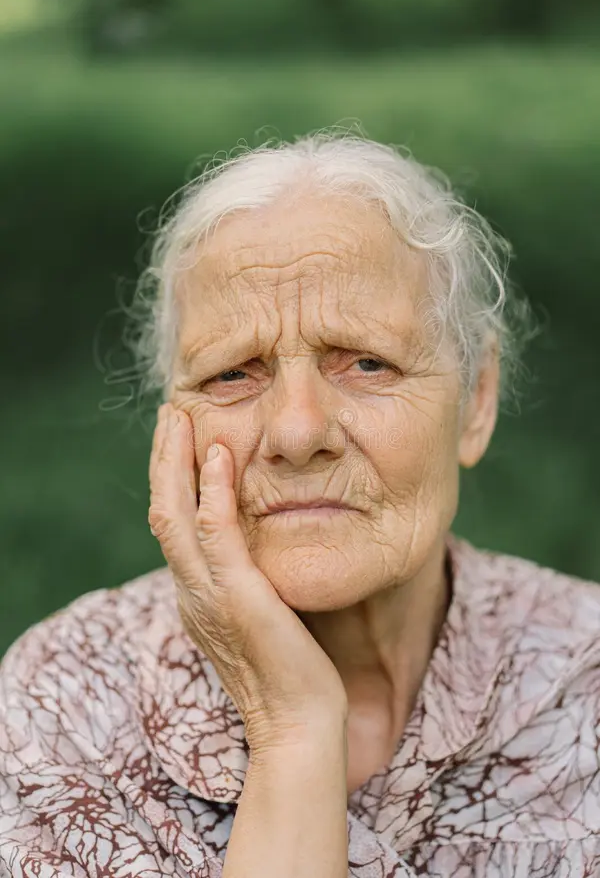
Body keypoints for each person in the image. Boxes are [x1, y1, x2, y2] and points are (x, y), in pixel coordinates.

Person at [1, 130, 599, 878]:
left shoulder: (585, 678)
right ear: (172, 424)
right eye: (232, 374)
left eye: (367, 362)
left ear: (476, 400)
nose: (296, 430)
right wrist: (295, 731)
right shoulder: (67, 701)